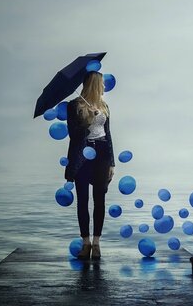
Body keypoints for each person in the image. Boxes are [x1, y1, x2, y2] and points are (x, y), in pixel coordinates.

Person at [64, 70, 115, 260]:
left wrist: (111, 162)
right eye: (101, 83)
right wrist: (89, 120)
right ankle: (85, 243)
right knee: (83, 200)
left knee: (100, 198)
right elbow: (73, 135)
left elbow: (108, 135)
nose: (103, 87)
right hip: (83, 155)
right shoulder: (74, 105)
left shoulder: (105, 106)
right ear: (94, 84)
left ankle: (96, 243)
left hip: (101, 153)